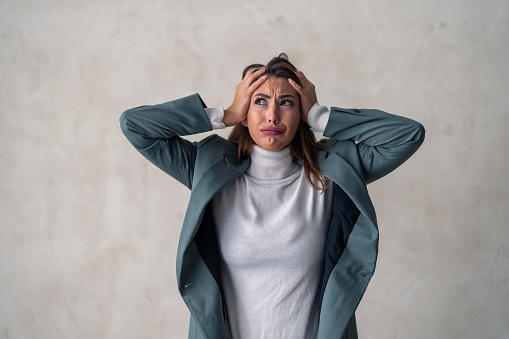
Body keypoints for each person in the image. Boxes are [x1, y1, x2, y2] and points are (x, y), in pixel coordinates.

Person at [119, 53, 425, 339]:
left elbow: (407, 134)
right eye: (260, 101)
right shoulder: (207, 168)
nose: (272, 116)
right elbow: (135, 125)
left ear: (300, 111)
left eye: (287, 103)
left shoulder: (331, 174)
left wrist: (321, 116)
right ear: (245, 110)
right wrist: (225, 114)